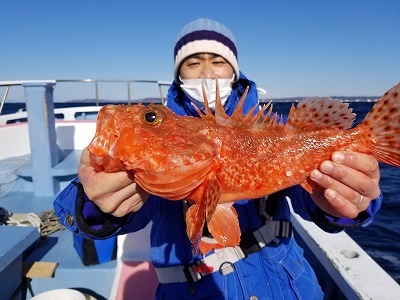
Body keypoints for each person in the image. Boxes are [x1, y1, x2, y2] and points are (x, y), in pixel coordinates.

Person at [54, 18, 382, 299]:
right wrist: (92, 203)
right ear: (179, 74)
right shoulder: (166, 139)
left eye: (217, 61)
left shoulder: (264, 127)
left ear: (234, 70)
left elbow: (315, 201)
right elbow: (108, 209)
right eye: (193, 63)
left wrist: (348, 202)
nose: (206, 71)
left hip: (287, 284)